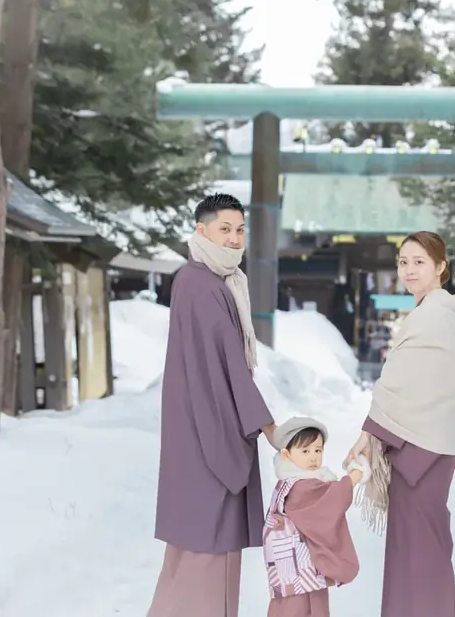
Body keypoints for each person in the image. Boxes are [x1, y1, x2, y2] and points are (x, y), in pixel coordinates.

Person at [147, 192, 278, 617]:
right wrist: (265, 424)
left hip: (202, 424)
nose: (234, 239)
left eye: (240, 230)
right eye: (225, 229)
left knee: (197, 549)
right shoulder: (201, 284)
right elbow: (226, 362)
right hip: (207, 430)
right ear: (202, 231)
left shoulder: (211, 281)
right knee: (208, 543)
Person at [343, 231, 455, 617]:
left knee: (422, 551)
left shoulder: (433, 319)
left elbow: (404, 386)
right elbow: (402, 384)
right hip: (420, 446)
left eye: (419, 262)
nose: (409, 270)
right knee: (418, 550)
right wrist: (372, 431)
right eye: (404, 262)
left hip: (423, 451)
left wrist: (369, 433)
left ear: (440, 267)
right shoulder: (431, 315)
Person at [264, 417, 367, 617]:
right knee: (305, 610)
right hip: (301, 575)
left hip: (290, 574)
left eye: (318, 450)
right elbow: (330, 501)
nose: (313, 457)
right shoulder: (301, 486)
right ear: (286, 454)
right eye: (305, 451)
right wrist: (355, 475)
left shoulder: (287, 484)